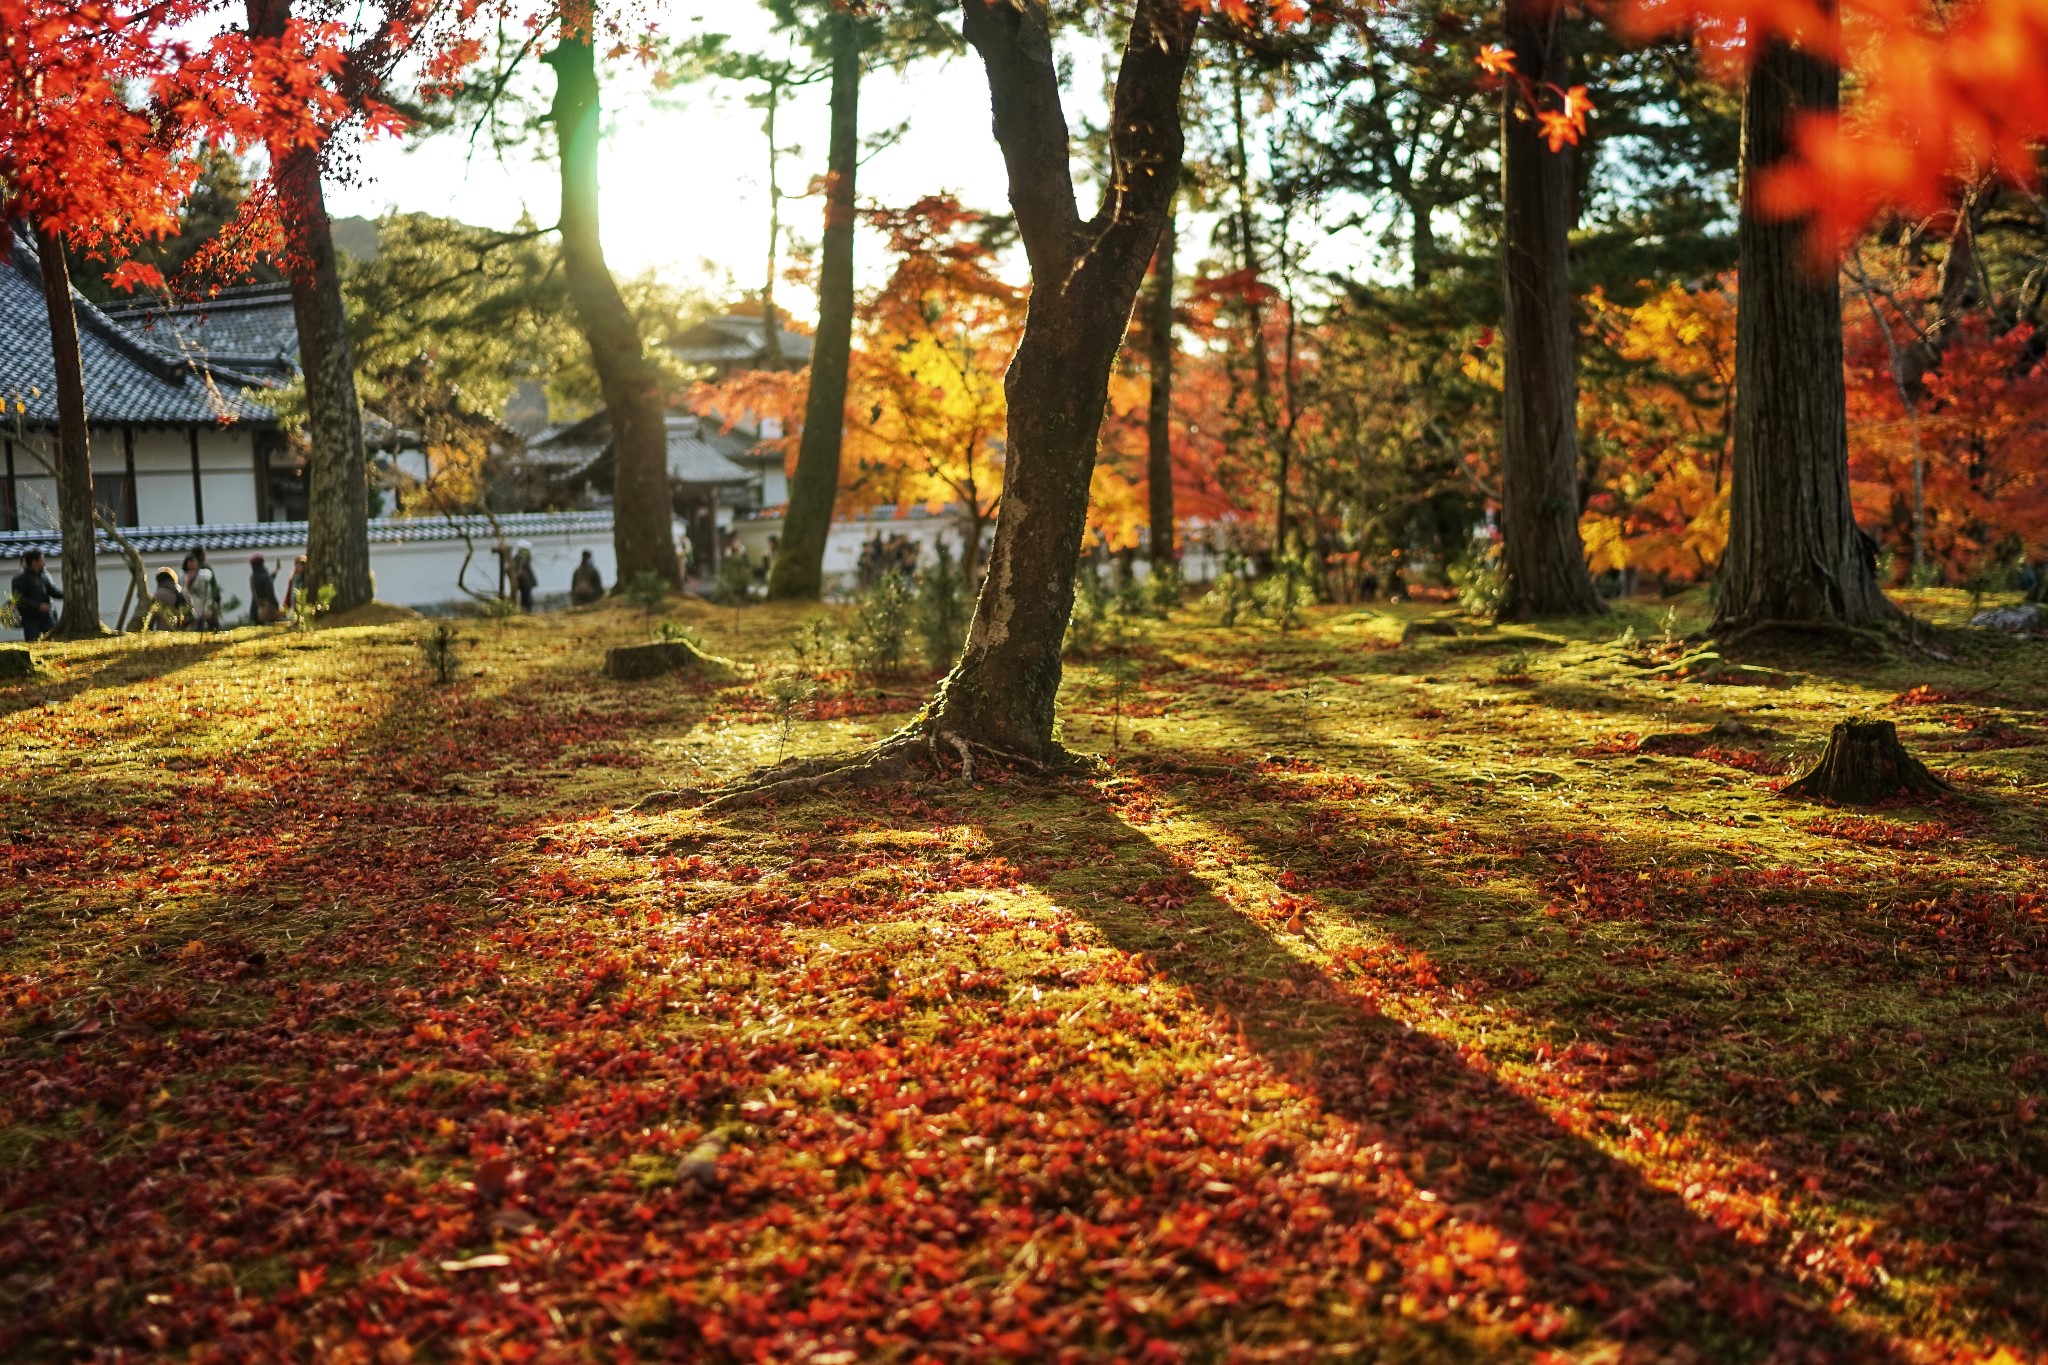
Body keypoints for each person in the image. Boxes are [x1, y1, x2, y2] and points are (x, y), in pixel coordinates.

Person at [11, 550, 61, 642]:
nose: (44, 562)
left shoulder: (44, 576)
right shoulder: (20, 579)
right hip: (30, 619)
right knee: (33, 643)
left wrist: (67, 595)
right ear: (34, 562)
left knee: (53, 640)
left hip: (47, 616)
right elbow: (19, 599)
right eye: (42, 560)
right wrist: (38, 606)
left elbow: (52, 591)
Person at [184, 548, 222, 631]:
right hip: (204, 601)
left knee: (199, 625)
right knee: (211, 625)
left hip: (196, 602)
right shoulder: (205, 569)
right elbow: (213, 586)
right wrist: (217, 600)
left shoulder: (186, 571)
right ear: (201, 555)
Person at [248, 555, 280, 624]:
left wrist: (275, 571)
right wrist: (276, 605)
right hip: (268, 609)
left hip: (256, 609)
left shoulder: (253, 577)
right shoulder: (265, 577)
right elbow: (270, 594)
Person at [512, 541, 537, 612]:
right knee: (526, 599)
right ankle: (526, 611)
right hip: (524, 582)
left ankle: (527, 610)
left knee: (527, 598)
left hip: (526, 581)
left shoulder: (524, 557)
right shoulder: (519, 558)